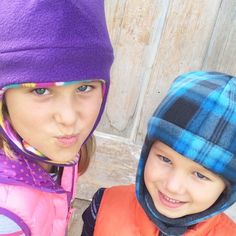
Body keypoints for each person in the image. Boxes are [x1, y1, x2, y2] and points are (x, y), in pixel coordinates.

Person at [0, 0, 113, 235]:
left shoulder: (60, 149)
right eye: (41, 90)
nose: (69, 118)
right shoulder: (5, 218)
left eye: (84, 88)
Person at [82, 71, 236, 235]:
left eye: (200, 175)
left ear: (228, 188)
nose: (172, 186)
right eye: (165, 159)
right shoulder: (105, 204)